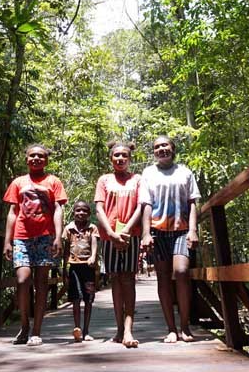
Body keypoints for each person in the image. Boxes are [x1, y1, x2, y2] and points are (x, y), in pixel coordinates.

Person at [2, 144, 67, 346]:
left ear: (46, 160)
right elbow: (13, 212)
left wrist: (57, 236)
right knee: (22, 281)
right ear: (27, 159)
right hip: (22, 237)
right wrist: (7, 240)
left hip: (45, 237)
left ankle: (36, 330)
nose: (36, 158)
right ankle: (24, 325)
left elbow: (58, 209)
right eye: (32, 156)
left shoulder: (53, 181)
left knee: (41, 284)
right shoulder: (18, 182)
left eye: (40, 156)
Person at [139, 136, 201, 343]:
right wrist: (146, 233)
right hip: (158, 231)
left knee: (181, 273)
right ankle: (171, 329)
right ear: (154, 152)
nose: (161, 149)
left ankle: (185, 326)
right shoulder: (148, 173)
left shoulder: (185, 172)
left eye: (165, 145)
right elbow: (146, 205)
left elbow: (192, 202)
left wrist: (193, 230)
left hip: (181, 230)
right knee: (163, 278)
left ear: (173, 149)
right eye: (157, 147)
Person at [94, 141, 143, 348]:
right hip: (109, 236)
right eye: (116, 156)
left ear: (130, 158)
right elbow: (99, 208)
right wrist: (112, 234)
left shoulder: (137, 179)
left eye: (124, 155)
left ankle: (129, 329)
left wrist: (126, 231)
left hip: (131, 234)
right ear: (111, 158)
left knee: (128, 279)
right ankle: (119, 328)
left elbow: (141, 206)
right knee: (115, 280)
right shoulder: (104, 180)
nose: (120, 159)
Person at [61, 200, 99, 342]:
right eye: (78, 210)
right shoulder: (69, 229)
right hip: (74, 267)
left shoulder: (92, 228)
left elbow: (94, 243)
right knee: (75, 298)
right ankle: (77, 328)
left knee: (88, 299)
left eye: (84, 211)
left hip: (88, 267)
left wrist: (93, 257)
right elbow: (65, 249)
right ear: (74, 212)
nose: (81, 213)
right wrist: (64, 269)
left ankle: (87, 330)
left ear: (89, 214)